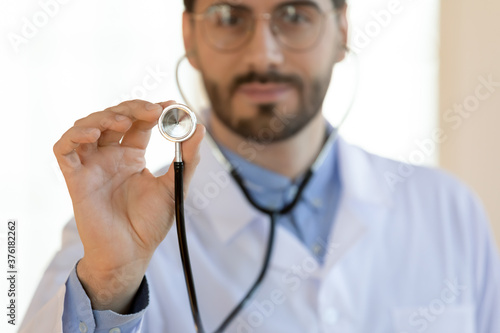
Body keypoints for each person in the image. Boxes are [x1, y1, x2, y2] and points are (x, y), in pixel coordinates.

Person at [21, 0, 500, 332]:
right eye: (230, 16)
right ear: (190, 35)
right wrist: (110, 283)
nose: (263, 54)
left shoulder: (448, 210)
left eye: (295, 15)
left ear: (343, 30)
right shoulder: (118, 229)